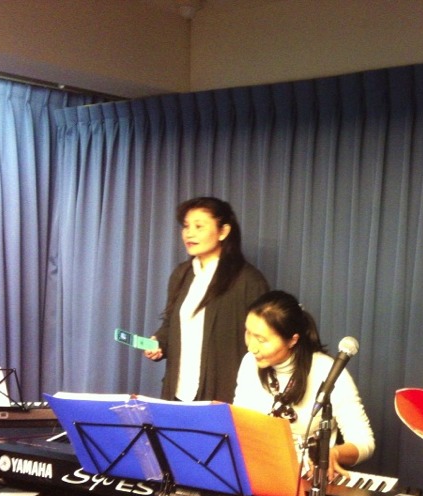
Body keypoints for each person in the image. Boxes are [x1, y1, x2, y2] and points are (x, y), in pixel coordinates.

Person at [234, 290, 375, 479]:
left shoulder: (328, 371)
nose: (251, 347)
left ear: (292, 340)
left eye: (261, 340)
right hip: (258, 474)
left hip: (308, 479)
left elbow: (364, 442)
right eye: (248, 333)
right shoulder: (249, 363)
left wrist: (334, 453)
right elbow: (239, 425)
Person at [145, 196, 269, 403]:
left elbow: (263, 339)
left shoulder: (248, 280)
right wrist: (159, 342)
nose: (189, 233)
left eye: (199, 226)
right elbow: (171, 324)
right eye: (186, 226)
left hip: (223, 395)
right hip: (178, 392)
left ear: (223, 231)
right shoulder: (181, 274)